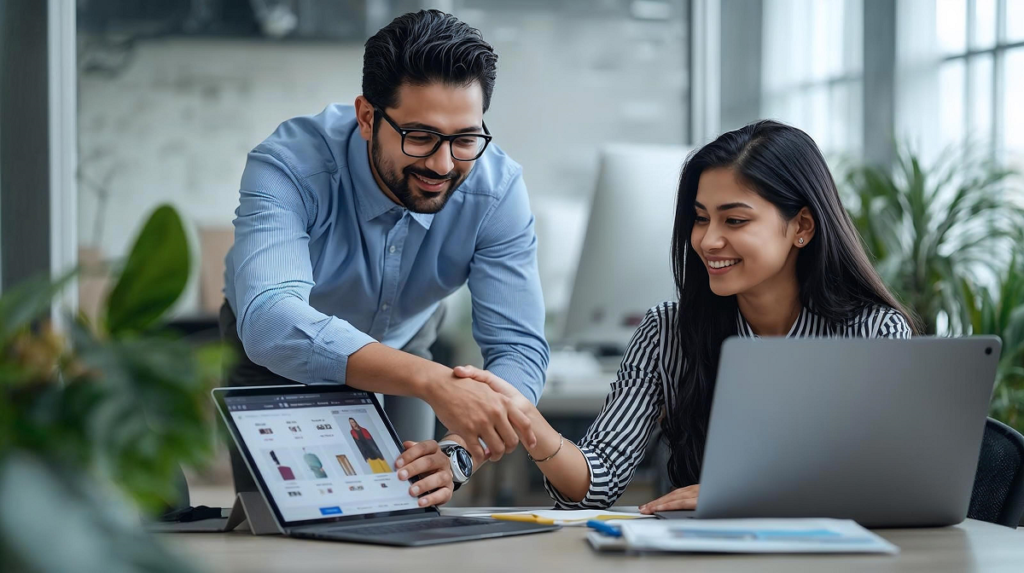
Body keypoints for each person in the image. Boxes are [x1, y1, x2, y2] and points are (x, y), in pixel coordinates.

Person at [455, 120, 916, 512]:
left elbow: (893, 485)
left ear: (802, 226)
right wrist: (531, 423)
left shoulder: (872, 333)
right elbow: (593, 487)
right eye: (700, 218)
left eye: (734, 221)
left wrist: (744, 498)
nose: (708, 241)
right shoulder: (668, 332)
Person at [219, 10, 548, 507]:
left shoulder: (497, 190)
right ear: (368, 117)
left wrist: (461, 449)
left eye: (464, 139)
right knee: (287, 532)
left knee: (408, 517)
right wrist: (434, 382)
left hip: (406, 349)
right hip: (277, 362)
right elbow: (270, 323)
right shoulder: (289, 166)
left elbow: (519, 349)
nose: (443, 164)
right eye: (420, 136)